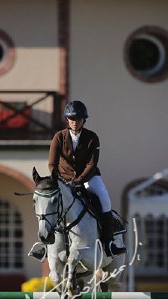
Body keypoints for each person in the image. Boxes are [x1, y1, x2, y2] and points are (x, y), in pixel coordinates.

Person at [29, 100, 125, 260]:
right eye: (72, 119)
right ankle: (46, 246)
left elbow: (91, 164)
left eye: (78, 119)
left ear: (83, 120)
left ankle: (109, 243)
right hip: (63, 179)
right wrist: (57, 178)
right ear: (67, 120)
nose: (75, 122)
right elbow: (52, 164)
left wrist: (79, 180)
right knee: (49, 204)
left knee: (104, 200)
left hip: (89, 177)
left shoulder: (92, 137)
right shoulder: (59, 137)